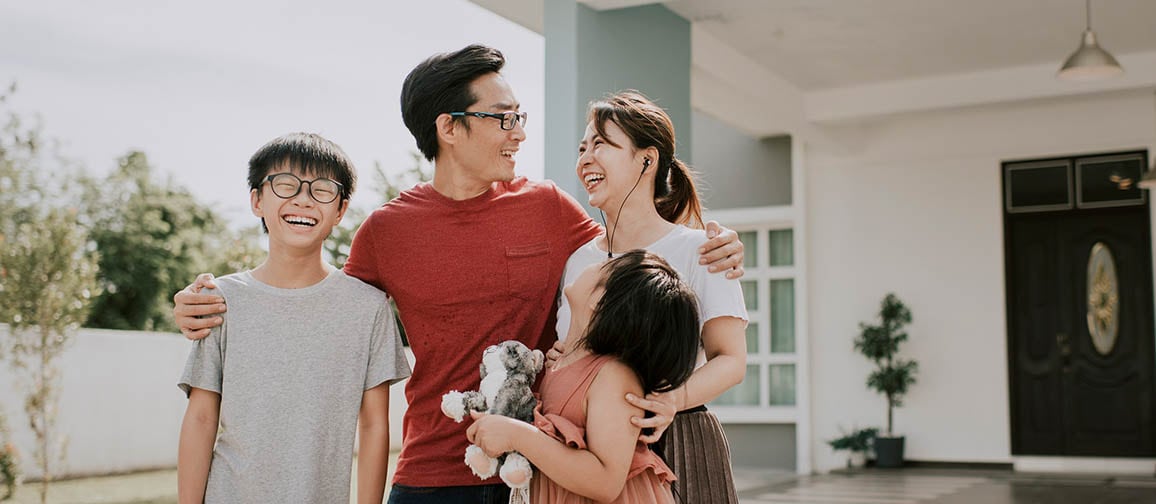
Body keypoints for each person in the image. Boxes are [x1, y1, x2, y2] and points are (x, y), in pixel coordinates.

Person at [173, 45, 744, 504]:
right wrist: (211, 299)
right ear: (449, 127)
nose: (520, 130)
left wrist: (710, 242)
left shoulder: (548, 208)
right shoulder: (386, 232)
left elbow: (629, 252)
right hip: (432, 474)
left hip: (544, 473)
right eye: (505, 118)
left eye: (519, 116)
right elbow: (318, 301)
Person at [176, 132, 411, 503]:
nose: (303, 199)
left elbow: (374, 425)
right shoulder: (220, 299)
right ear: (257, 200)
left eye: (321, 189)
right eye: (286, 185)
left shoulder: (368, 307)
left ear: (341, 210)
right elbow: (202, 417)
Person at [548, 90, 748, 503]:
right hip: (586, 451)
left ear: (646, 159)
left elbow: (730, 360)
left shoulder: (701, 250)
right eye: (582, 147)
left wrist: (671, 401)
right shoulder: (578, 260)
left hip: (677, 442)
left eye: (601, 144)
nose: (585, 158)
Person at [468, 250, 700, 503]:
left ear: (600, 299)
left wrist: (517, 435)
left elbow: (606, 481)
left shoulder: (613, 377)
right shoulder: (560, 362)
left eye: (603, 265)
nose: (594, 263)